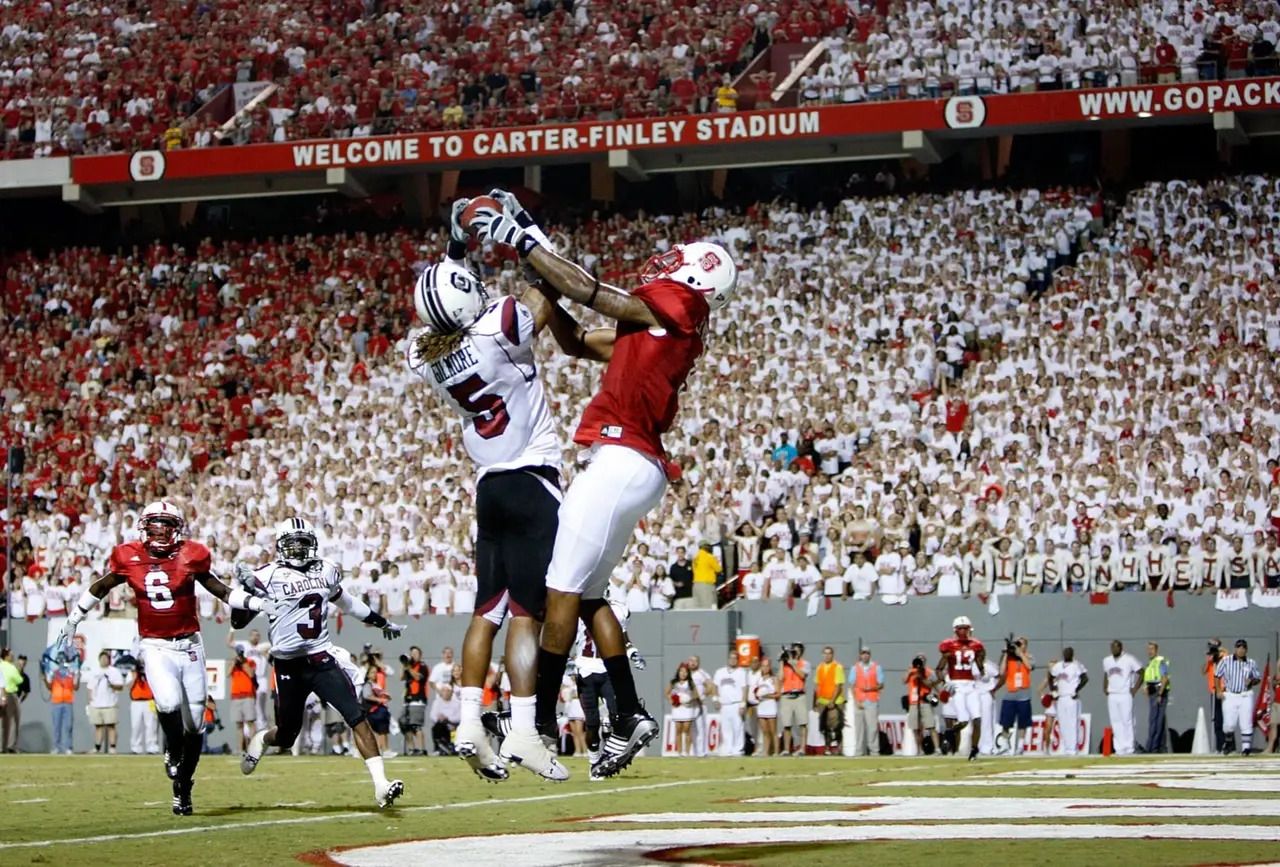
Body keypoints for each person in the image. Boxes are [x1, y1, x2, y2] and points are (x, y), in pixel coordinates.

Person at [470, 190, 737, 778]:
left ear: (696, 277)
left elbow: (589, 290)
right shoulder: (656, 327)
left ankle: (537, 723)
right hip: (630, 464)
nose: (666, 263)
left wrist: (523, 239)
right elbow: (572, 340)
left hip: (622, 458)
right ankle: (631, 712)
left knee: (558, 590)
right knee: (588, 595)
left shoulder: (677, 305)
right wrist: (537, 266)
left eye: (678, 261)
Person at [406, 205, 588, 783]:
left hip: (488, 488)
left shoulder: (425, 355)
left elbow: (447, 304)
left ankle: (468, 719)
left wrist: (457, 244)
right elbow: (554, 281)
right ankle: (524, 731)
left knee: (487, 611)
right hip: (533, 480)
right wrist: (522, 228)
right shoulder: (499, 328)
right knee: (528, 616)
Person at [58, 501, 266, 815]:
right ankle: (173, 749)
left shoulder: (190, 555)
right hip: (155, 645)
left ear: (175, 529)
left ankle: (184, 786)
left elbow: (222, 591)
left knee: (196, 724)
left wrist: (257, 603)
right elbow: (102, 586)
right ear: (144, 527)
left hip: (190, 645)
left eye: (165, 524)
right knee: (168, 702)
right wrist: (75, 617)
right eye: (155, 524)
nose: (159, 531)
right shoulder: (129, 556)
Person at [238, 517, 407, 809]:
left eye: (304, 542)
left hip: (320, 658)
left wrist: (380, 622)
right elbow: (238, 620)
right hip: (288, 665)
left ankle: (381, 785)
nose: (299, 548)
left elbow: (348, 603)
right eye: (293, 543)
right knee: (287, 735)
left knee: (356, 715)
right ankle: (263, 739)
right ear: (281, 546)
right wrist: (249, 591)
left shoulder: (325, 569)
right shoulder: (267, 574)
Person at [937, 615, 985, 760]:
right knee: (963, 721)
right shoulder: (949, 646)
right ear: (956, 630)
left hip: (971, 685)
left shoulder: (976, 645)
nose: (964, 631)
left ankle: (974, 750)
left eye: (966, 628)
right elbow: (939, 669)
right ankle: (948, 735)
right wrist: (945, 682)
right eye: (961, 628)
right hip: (957, 685)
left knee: (977, 719)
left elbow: (980, 666)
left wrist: (981, 668)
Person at [1215, 639, 1262, 755]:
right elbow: (1217, 675)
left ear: (1246, 649)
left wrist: (1252, 681)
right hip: (1230, 694)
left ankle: (1246, 748)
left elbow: (1258, 678)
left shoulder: (1251, 663)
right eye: (1239, 647)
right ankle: (1229, 742)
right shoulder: (1226, 661)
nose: (1241, 650)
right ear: (1235, 648)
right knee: (1229, 724)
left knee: (1246, 722)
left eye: (1243, 648)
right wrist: (1219, 690)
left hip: (1245, 695)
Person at [1101, 640, 1142, 756]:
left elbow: (1142, 672)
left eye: (1116, 647)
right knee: (1115, 721)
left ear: (1121, 647)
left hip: (1125, 694)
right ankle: (1119, 748)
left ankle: (1129, 747)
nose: (1114, 649)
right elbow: (1106, 674)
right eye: (1112, 647)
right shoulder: (1107, 660)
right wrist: (1105, 687)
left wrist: (1135, 689)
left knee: (1127, 720)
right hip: (1112, 694)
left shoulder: (1129, 659)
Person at [996, 637, 1034, 755]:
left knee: (1023, 722)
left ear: (1025, 646)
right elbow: (1001, 672)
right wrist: (1006, 654)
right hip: (1010, 694)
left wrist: (1020, 654)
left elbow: (1030, 666)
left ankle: (1020, 745)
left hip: (1024, 694)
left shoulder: (1028, 656)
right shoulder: (1010, 658)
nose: (1018, 646)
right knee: (1006, 722)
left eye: (1020, 644)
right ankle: (1005, 744)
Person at [1048, 648, 1087, 755]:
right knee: (1063, 723)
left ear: (1072, 654)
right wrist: (1053, 690)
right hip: (1061, 697)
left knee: (1072, 723)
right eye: (1065, 653)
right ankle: (1066, 747)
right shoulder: (1058, 666)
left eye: (1069, 653)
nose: (1067, 654)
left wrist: (1076, 690)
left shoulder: (1076, 665)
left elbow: (1085, 678)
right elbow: (1050, 676)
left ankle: (1073, 748)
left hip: (1071, 697)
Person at [43, 643, 80, 754]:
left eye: (63, 658)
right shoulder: (53, 672)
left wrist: (78, 676)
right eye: (60, 658)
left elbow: (76, 687)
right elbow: (49, 687)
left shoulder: (71, 672)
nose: (61, 660)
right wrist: (45, 677)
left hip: (68, 701)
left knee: (68, 726)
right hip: (56, 701)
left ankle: (69, 747)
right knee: (56, 726)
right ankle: (56, 747)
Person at [85, 650, 124, 754]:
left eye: (106, 658)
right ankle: (97, 747)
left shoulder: (114, 672)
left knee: (111, 726)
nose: (104, 660)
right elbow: (90, 687)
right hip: (96, 704)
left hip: (110, 703)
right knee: (98, 726)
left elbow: (120, 686)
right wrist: (90, 700)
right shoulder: (94, 671)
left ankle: (112, 747)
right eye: (102, 658)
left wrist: (112, 685)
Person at [712, 651, 749, 756]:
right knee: (726, 728)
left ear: (738, 660)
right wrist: (715, 699)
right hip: (724, 704)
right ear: (728, 659)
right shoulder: (720, 672)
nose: (733, 660)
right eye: (731, 658)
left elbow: (745, 688)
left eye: (735, 658)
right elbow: (715, 686)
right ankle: (727, 748)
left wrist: (743, 704)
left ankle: (738, 749)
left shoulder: (741, 672)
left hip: (736, 704)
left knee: (738, 727)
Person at [777, 643, 811, 755]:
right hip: (786, 695)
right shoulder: (785, 664)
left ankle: (802, 749)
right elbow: (780, 678)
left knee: (803, 723)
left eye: (797, 651)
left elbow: (802, 675)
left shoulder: (805, 663)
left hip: (799, 695)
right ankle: (787, 749)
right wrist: (781, 662)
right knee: (786, 724)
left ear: (801, 652)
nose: (794, 653)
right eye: (793, 651)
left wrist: (793, 664)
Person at [850, 647, 883, 757]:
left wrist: (871, 688)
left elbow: (881, 684)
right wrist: (856, 701)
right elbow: (852, 685)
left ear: (870, 655)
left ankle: (874, 751)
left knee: (872, 727)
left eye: (867, 653)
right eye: (863, 653)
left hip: (871, 700)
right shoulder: (855, 668)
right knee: (859, 728)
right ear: (860, 655)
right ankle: (859, 751)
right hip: (859, 700)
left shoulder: (876, 667)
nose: (865, 655)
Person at [904, 655, 940, 755]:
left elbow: (932, 684)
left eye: (922, 660)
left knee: (930, 725)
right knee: (916, 728)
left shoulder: (929, 671)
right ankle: (919, 750)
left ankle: (937, 748)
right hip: (914, 702)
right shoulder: (911, 671)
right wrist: (909, 672)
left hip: (925, 701)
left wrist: (922, 678)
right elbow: (903, 680)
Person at [814, 646, 846, 754]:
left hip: (836, 701)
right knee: (824, 726)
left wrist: (832, 701)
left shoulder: (837, 667)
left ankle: (839, 748)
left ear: (832, 655)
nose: (827, 655)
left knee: (836, 725)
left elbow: (838, 686)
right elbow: (817, 686)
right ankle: (827, 748)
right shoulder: (819, 668)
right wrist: (816, 700)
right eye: (825, 653)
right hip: (823, 701)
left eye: (829, 653)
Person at [228, 646, 258, 752]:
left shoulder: (250, 662)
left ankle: (253, 748)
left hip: (248, 696)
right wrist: (234, 663)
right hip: (236, 696)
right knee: (239, 724)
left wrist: (243, 663)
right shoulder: (233, 663)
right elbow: (227, 673)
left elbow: (251, 674)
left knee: (250, 722)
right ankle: (240, 750)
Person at [1143, 641, 1171, 753]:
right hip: (1152, 693)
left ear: (1156, 650)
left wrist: (1160, 694)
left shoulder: (1160, 661)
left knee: (1156, 721)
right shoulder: (1150, 663)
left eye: (1152, 649)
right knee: (1154, 720)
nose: (1149, 651)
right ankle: (1156, 746)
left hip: (1158, 693)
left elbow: (1164, 678)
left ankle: (1153, 747)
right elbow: (1149, 679)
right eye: (1148, 649)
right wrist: (1145, 687)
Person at [128, 662, 161, 755]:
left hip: (149, 701)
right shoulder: (132, 673)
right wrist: (135, 677)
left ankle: (152, 747)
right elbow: (128, 686)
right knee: (136, 725)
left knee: (151, 725)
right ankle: (136, 747)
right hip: (136, 702)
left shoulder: (152, 672)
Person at [400, 646, 428, 756]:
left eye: (416, 654)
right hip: (407, 699)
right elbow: (401, 678)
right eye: (412, 653)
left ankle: (421, 749)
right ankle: (411, 749)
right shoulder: (409, 666)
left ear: (420, 655)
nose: (413, 656)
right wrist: (404, 666)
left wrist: (409, 668)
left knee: (416, 726)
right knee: (405, 725)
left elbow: (418, 677)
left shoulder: (422, 666)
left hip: (418, 700)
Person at [751, 656, 781, 756]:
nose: (765, 668)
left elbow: (778, 694)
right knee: (765, 731)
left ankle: (776, 751)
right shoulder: (759, 679)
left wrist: (767, 696)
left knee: (773, 731)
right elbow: (755, 692)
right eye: (763, 666)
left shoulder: (774, 679)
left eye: (767, 666)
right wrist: (757, 697)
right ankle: (766, 751)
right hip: (761, 706)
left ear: (770, 667)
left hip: (770, 706)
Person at [668, 664, 700, 756]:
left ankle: (687, 751)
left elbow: (696, 695)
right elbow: (667, 692)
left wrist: (689, 699)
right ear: (678, 672)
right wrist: (672, 700)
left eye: (685, 672)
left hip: (687, 708)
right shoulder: (674, 682)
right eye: (681, 671)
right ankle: (679, 752)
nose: (683, 674)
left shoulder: (690, 683)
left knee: (687, 729)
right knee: (678, 729)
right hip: (677, 708)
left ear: (688, 673)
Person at [1205, 638, 1226, 751]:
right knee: (1217, 720)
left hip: (1223, 690)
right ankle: (1219, 745)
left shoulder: (1225, 656)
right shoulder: (1210, 658)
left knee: (1225, 719)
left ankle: (1227, 744)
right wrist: (1209, 661)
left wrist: (1219, 657)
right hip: (1213, 691)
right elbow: (1204, 671)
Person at [0, 647, 22, 752]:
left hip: (2, 695)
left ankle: (2, 746)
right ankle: (10, 746)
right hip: (9, 695)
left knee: (2, 723)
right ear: (6, 656)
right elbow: (19, 680)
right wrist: (19, 669)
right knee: (13, 720)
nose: (12, 656)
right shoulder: (11, 667)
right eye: (11, 655)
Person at [692, 543, 722, 609]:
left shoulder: (695, 557)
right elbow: (718, 569)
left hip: (696, 585)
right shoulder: (709, 557)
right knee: (709, 607)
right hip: (706, 585)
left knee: (698, 608)